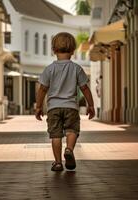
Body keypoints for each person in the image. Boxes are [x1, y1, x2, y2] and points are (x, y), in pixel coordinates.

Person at [35, 32, 95, 171]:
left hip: (53, 108)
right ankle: (69, 149)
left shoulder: (49, 69)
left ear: (54, 50)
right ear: (73, 51)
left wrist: (38, 107)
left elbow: (42, 89)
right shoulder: (76, 68)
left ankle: (57, 162)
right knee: (72, 130)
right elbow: (85, 88)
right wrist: (90, 105)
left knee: (55, 135)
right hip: (71, 107)